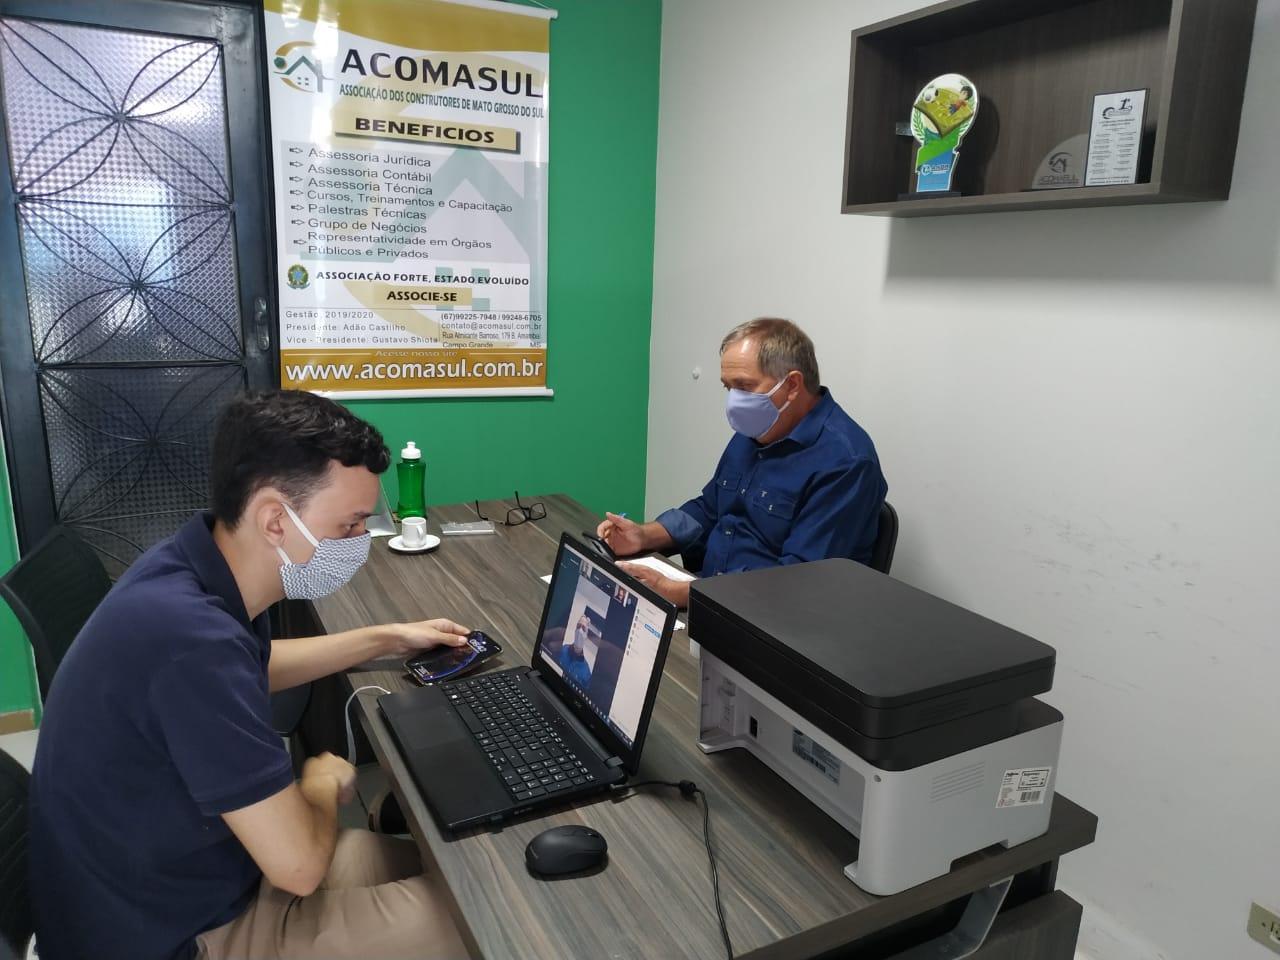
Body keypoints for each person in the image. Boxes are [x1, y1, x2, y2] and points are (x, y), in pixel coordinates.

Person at [29, 390, 472, 960]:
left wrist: (386, 637)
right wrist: (320, 781)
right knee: (484, 919)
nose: (361, 542)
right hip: (170, 935)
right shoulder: (191, 641)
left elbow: (252, 667)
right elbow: (300, 868)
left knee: (451, 868)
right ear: (274, 520)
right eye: (350, 524)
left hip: (195, 873)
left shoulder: (194, 567)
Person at [599, 317, 887, 607]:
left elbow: (799, 580)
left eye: (744, 386)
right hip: (709, 594)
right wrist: (643, 535)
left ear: (792, 385)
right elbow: (709, 509)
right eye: (729, 388)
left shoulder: (846, 463)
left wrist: (681, 593)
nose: (735, 401)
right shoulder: (760, 427)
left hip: (770, 619)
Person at [557, 614, 594, 688]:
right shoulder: (562, 649)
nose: (579, 631)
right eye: (578, 626)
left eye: (583, 628)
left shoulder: (586, 672)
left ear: (586, 636)